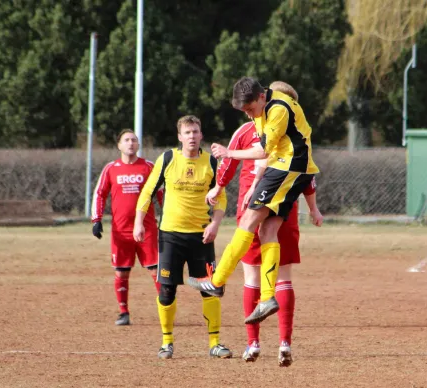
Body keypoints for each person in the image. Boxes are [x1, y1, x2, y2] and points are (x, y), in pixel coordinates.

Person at [205, 81, 322, 366]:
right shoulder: (264, 112)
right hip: (288, 173)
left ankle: (217, 282)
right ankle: (264, 308)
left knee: (249, 223)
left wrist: (227, 155)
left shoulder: (277, 111)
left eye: (249, 108)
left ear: (262, 97)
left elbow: (261, 156)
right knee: (266, 231)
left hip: (284, 170)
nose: (247, 114)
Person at [133, 115, 232, 360]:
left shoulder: (211, 162)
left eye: (195, 132)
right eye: (187, 132)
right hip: (170, 236)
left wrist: (215, 225)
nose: (191, 136)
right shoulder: (167, 159)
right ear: (179, 136)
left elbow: (221, 198)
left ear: (201, 135)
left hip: (201, 237)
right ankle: (167, 343)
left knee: (210, 289)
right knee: (166, 290)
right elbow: (148, 191)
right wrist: (138, 222)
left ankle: (215, 343)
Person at [91, 129, 161, 326]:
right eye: (126, 140)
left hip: (147, 230)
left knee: (156, 271)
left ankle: (165, 309)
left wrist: (166, 216)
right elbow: (100, 194)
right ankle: (124, 312)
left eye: (134, 140)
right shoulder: (111, 168)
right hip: (120, 231)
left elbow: (162, 192)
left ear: (138, 145)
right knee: (122, 272)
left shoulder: (149, 167)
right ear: (119, 145)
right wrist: (96, 220)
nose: (131, 143)